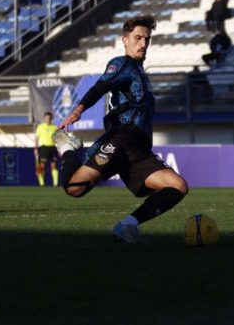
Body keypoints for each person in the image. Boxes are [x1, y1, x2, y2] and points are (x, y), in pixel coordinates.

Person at [53, 15, 189, 244]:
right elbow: (102, 86)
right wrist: (80, 108)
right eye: (137, 38)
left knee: (178, 186)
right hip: (121, 140)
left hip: (139, 149)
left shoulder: (141, 73)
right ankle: (68, 148)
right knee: (74, 189)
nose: (143, 44)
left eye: (147, 39)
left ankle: (127, 226)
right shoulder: (123, 64)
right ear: (125, 40)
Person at [34, 112, 59, 187]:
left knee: (54, 166)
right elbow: (36, 138)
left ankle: (56, 184)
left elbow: (57, 139)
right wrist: (35, 148)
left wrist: (58, 148)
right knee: (42, 166)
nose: (48, 120)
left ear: (51, 119)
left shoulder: (54, 127)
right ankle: (42, 183)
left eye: (49, 118)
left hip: (52, 147)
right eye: (46, 118)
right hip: (44, 148)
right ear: (44, 119)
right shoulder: (40, 127)